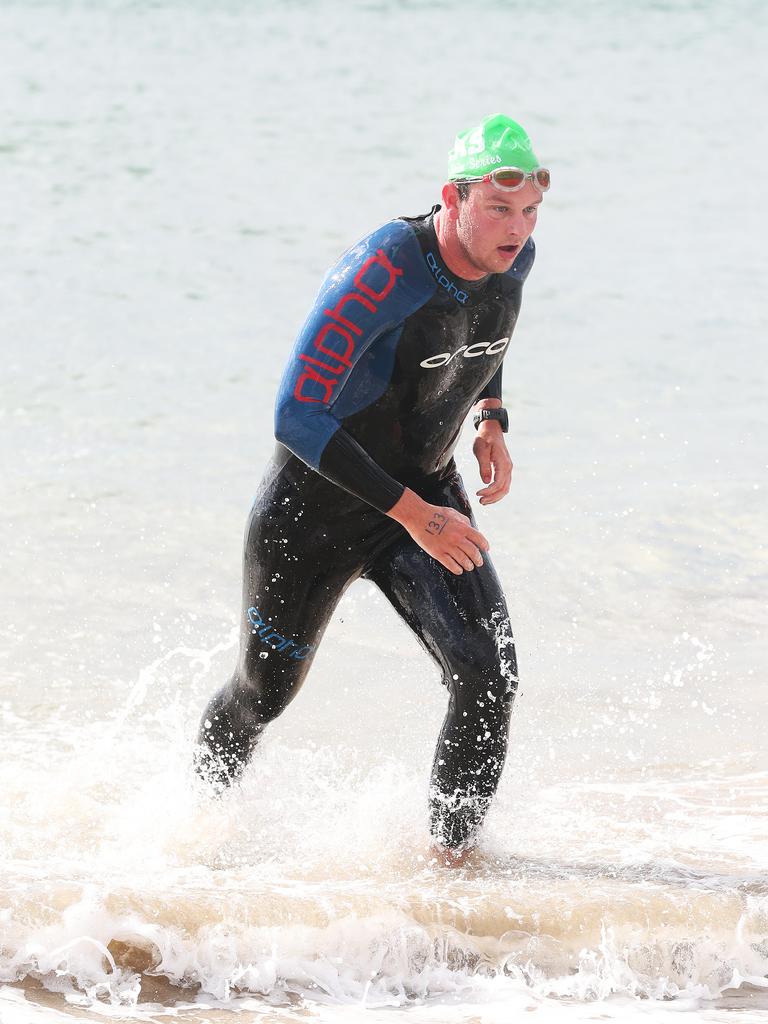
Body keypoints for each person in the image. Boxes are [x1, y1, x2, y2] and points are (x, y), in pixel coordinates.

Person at [194, 113, 549, 865]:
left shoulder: (510, 259)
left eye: (528, 212)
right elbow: (296, 414)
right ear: (451, 198)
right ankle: (193, 829)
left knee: (490, 676)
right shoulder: (386, 268)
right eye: (497, 207)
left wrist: (491, 416)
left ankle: (451, 872)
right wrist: (416, 514)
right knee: (263, 695)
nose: (515, 229)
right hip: (314, 510)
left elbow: (483, 333)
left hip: (421, 496)